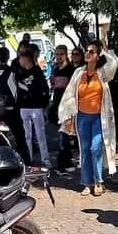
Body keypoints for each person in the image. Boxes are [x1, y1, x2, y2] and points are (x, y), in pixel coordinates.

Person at [57, 39, 118, 196]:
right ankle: (87, 183)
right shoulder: (79, 73)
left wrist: (105, 50)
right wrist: (69, 115)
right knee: (85, 149)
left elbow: (115, 63)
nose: (87, 53)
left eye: (91, 52)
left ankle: (99, 180)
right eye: (86, 51)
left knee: (95, 147)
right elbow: (70, 95)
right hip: (83, 117)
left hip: (99, 118)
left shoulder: (103, 73)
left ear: (97, 55)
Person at [0, 46, 28, 156]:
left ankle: (2, 161)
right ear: (8, 57)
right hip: (13, 110)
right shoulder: (14, 72)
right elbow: (24, 88)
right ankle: (26, 162)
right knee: (20, 138)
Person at [16, 46, 51, 169]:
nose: (19, 60)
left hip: (36, 107)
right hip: (23, 108)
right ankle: (28, 160)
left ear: (26, 58)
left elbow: (45, 89)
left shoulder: (37, 71)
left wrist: (44, 105)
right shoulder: (18, 73)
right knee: (27, 135)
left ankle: (45, 160)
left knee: (40, 134)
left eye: (21, 58)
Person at [48, 44, 78, 172]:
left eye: (61, 54)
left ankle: (66, 163)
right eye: (57, 54)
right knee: (62, 135)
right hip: (57, 105)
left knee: (64, 136)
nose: (59, 57)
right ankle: (65, 161)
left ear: (66, 55)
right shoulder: (55, 69)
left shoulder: (70, 70)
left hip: (68, 106)